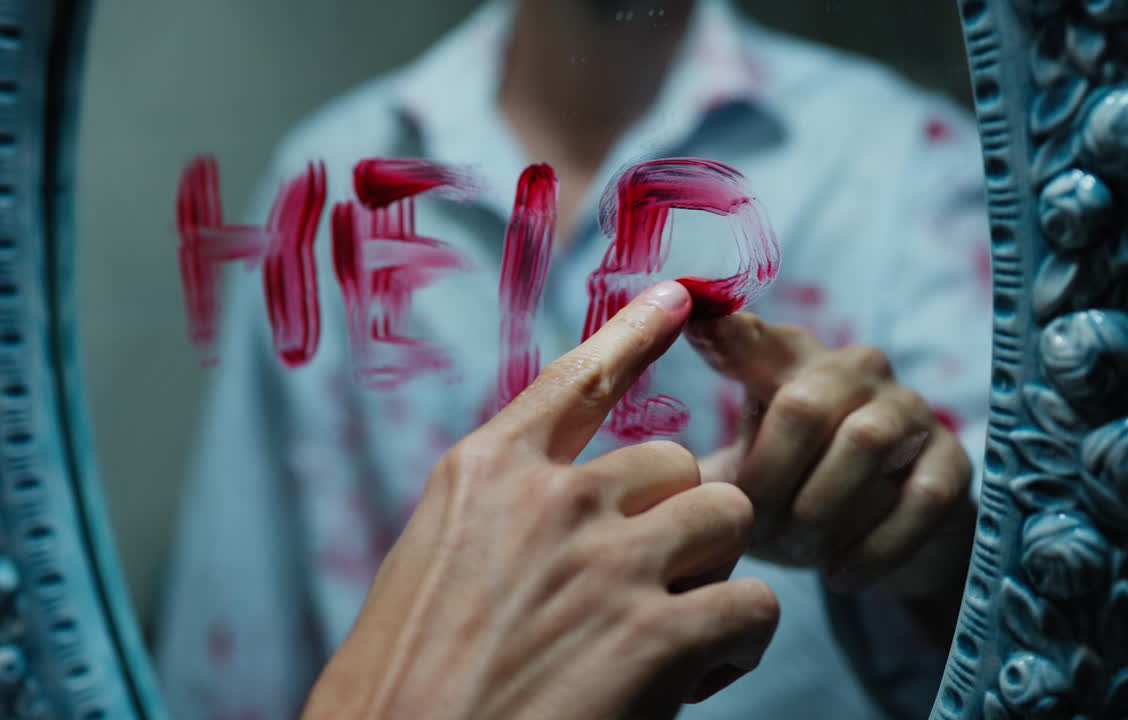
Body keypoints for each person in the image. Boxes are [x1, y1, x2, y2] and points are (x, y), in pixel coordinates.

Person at [158, 0, 992, 718]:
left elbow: (1054, 620)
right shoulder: (331, 185)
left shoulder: (910, 172)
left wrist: (931, 549)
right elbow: (237, 642)